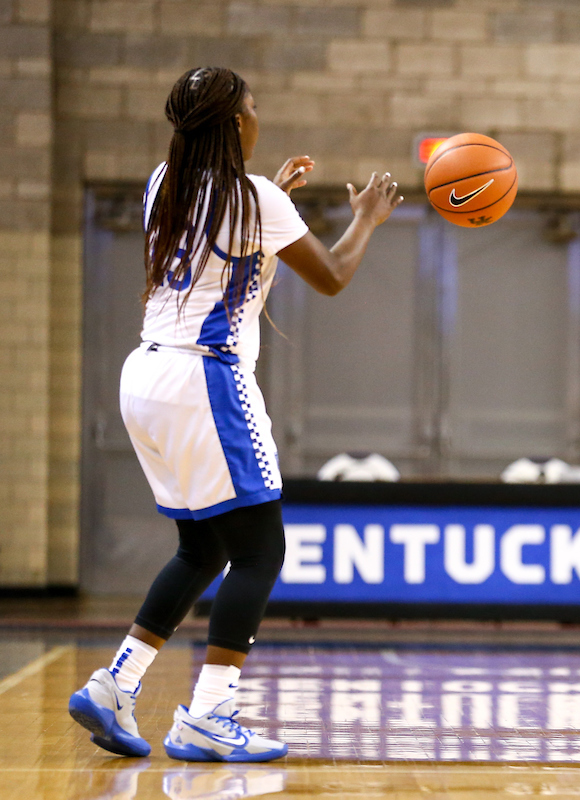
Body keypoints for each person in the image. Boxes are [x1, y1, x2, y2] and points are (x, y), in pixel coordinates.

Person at [68, 66, 403, 762]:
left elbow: (227, 230)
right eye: (253, 109)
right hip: (205, 378)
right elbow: (334, 275)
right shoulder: (256, 199)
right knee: (260, 550)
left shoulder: (166, 181)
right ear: (233, 125)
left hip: (146, 375)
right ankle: (210, 712)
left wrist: (275, 192)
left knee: (205, 547)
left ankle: (114, 685)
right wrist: (366, 217)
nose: (258, 119)